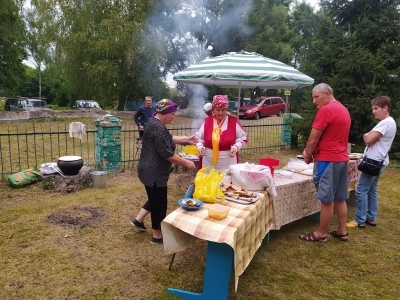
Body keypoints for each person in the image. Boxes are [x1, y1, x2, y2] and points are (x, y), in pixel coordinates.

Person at [131, 99, 197, 244]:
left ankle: (138, 220)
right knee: (159, 203)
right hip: (154, 172)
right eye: (172, 114)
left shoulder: (154, 122)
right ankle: (157, 235)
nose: (174, 117)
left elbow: (169, 138)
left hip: (147, 169)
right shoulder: (158, 128)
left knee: (155, 198)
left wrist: (187, 139)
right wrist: (186, 162)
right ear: (164, 112)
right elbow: (167, 154)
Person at [299, 83, 351, 242]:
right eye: (313, 97)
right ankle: (342, 230)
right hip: (342, 159)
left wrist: (308, 154)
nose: (314, 101)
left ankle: (321, 234)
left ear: (327, 94)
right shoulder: (343, 109)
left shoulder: (326, 110)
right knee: (340, 198)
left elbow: (313, 138)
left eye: (316, 97)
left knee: (326, 200)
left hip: (328, 160)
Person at [347, 96, 397, 228]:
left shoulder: (386, 123)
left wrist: (366, 135)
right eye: (373, 109)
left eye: (376, 108)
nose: (373, 111)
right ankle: (371, 217)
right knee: (372, 190)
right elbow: (371, 137)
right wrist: (368, 135)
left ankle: (360, 220)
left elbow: (369, 139)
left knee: (361, 190)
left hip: (373, 162)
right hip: (380, 161)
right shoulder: (389, 122)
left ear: (385, 108)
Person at [196, 95, 248, 171]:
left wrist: (236, 147)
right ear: (213, 110)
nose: (220, 113)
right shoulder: (207, 121)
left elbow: (244, 138)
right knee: (209, 180)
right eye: (218, 110)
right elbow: (198, 138)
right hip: (208, 161)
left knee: (226, 181)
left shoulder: (233, 122)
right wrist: (200, 147)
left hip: (228, 161)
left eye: (223, 110)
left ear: (226, 109)